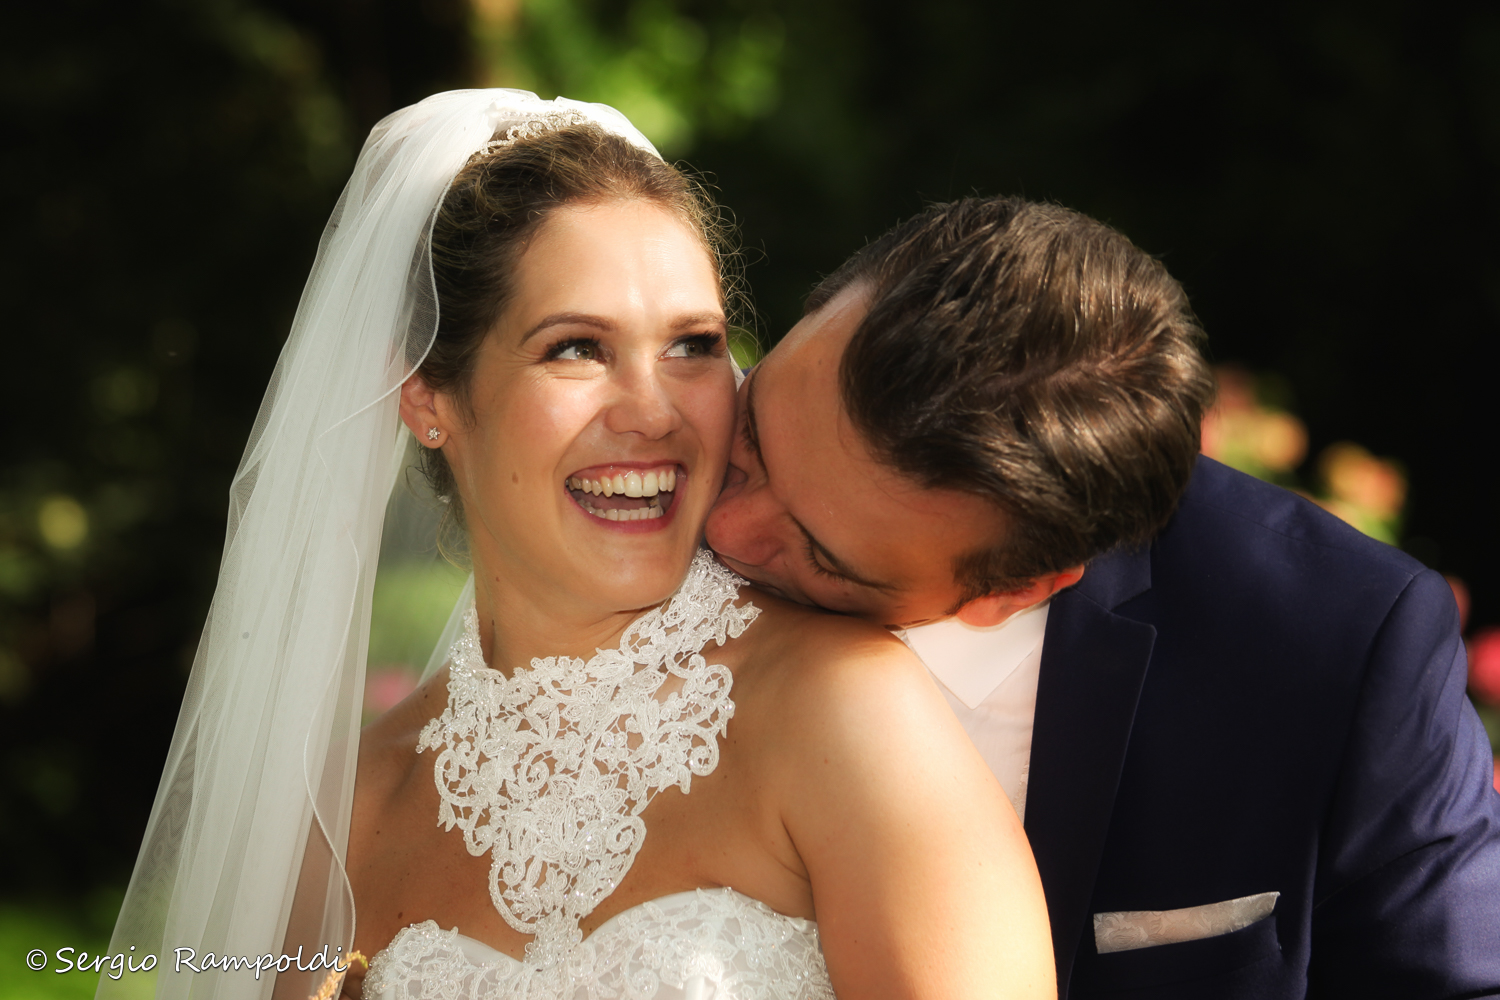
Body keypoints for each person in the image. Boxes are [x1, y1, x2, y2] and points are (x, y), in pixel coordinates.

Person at [102, 93, 1054, 1000]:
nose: (653, 412)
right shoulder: (347, 814)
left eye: (691, 345)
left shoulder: (842, 710)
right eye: (576, 348)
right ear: (428, 396)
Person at [705, 196, 1500, 999]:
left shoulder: (1339, 648)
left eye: (822, 556)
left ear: (1014, 589)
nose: (724, 528)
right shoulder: (649, 476)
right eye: (755, 439)